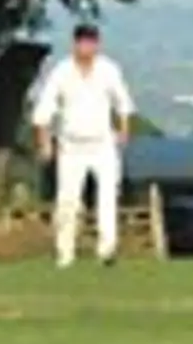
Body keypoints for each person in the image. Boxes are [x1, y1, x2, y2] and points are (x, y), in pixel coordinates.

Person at [30, 24, 134, 268]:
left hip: (102, 145)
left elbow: (123, 103)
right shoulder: (62, 72)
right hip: (72, 147)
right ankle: (65, 254)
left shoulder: (108, 70)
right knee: (67, 201)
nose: (86, 47)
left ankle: (107, 250)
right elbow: (43, 111)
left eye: (90, 42)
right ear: (75, 44)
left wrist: (124, 130)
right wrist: (45, 143)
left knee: (107, 197)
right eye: (82, 42)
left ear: (97, 45)